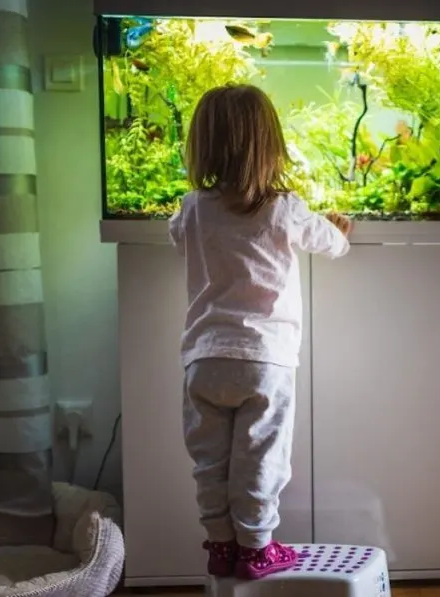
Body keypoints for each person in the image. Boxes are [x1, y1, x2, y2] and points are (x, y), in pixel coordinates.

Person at [167, 84, 352, 581]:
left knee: (209, 460)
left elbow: (175, 236)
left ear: (202, 146)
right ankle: (256, 547)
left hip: (204, 360)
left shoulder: (193, 206)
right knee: (260, 457)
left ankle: (220, 545)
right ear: (270, 146)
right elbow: (331, 244)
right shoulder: (284, 208)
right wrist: (338, 228)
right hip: (264, 360)